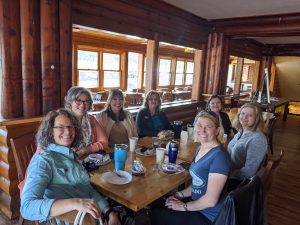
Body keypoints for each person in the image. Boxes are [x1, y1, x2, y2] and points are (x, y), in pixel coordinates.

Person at [20, 109, 120, 225]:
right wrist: (75, 203)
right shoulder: (43, 160)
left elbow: (86, 189)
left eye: (70, 126)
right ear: (50, 131)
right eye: (60, 127)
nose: (67, 132)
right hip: (72, 220)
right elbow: (27, 207)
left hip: (93, 217)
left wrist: (109, 213)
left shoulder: (71, 155)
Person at [151, 111, 231, 225]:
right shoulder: (201, 148)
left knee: (157, 214)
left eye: (208, 126)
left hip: (208, 216)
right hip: (197, 204)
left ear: (217, 130)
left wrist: (183, 206)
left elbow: (211, 201)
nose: (202, 130)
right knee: (159, 202)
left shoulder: (220, 158)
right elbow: (199, 183)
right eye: (199, 125)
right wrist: (179, 194)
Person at [228, 102, 268, 181]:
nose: (244, 117)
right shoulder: (241, 131)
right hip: (230, 172)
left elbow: (249, 172)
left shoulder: (257, 139)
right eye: (242, 113)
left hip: (242, 182)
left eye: (250, 115)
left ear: (256, 119)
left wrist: (227, 174)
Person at [64, 86, 108, 157]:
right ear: (70, 102)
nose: (82, 105)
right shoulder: (61, 120)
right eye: (78, 100)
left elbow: (104, 142)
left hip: (88, 161)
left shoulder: (91, 120)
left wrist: (85, 150)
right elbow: (45, 148)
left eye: (86, 101)